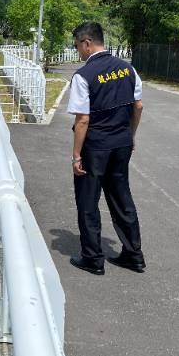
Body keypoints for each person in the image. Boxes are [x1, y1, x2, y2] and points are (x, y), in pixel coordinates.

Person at [66, 21, 145, 276]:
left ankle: (93, 258)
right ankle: (133, 255)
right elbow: (138, 106)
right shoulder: (128, 69)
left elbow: (83, 120)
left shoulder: (83, 76)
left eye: (78, 46)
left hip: (96, 147)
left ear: (87, 43)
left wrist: (77, 155)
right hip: (121, 143)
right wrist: (130, 136)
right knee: (121, 197)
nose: (78, 51)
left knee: (88, 201)